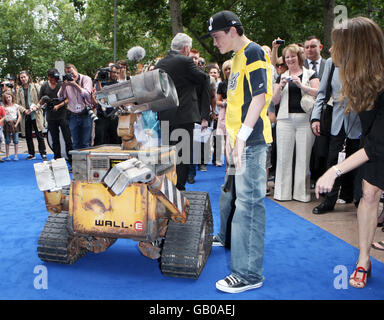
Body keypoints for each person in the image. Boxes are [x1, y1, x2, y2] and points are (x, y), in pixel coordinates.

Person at [203, 10, 273, 293]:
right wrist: (232, 141)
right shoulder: (235, 59)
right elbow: (234, 105)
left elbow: (259, 97)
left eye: (217, 36)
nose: (215, 42)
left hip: (252, 142)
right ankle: (229, 240)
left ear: (233, 30)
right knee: (233, 197)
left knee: (250, 206)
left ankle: (248, 273)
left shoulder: (254, 52)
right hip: (238, 143)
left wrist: (241, 138)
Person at [315, 17, 384, 289]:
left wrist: (334, 170)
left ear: (355, 48)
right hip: (375, 145)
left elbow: (377, 143)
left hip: (379, 144)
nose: (331, 51)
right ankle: (363, 259)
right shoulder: (358, 78)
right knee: (368, 193)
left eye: (337, 45)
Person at [155, 33, 210, 191]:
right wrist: (204, 114)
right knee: (182, 156)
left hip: (165, 115)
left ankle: (169, 187)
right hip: (184, 115)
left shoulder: (160, 63)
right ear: (186, 48)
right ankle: (179, 189)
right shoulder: (185, 61)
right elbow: (204, 79)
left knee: (169, 155)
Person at [310, 58, 361, 214]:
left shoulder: (364, 57)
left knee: (359, 161)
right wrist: (315, 117)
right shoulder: (332, 63)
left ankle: (358, 200)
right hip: (337, 119)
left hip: (360, 122)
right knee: (334, 160)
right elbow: (322, 92)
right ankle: (329, 200)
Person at [272, 44, 319, 202]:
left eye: (293, 56)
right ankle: (282, 193)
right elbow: (274, 100)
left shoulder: (311, 74)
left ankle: (302, 194)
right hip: (284, 120)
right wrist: (281, 87)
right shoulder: (281, 76)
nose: (290, 59)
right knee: (283, 159)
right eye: (287, 57)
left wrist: (301, 85)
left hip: (304, 120)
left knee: (303, 159)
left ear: (299, 58)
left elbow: (318, 92)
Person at [39, 68, 73, 163]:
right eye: (53, 78)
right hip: (51, 115)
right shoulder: (44, 86)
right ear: (49, 77)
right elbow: (41, 99)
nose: (54, 79)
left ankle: (70, 159)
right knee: (55, 139)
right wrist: (44, 104)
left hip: (62, 114)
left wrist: (58, 105)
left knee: (67, 138)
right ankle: (57, 159)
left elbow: (67, 99)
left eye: (56, 78)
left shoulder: (61, 84)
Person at [58, 64, 94, 150]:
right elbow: (60, 97)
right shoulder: (66, 83)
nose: (71, 75)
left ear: (76, 70)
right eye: (68, 73)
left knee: (86, 143)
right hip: (73, 115)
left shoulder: (86, 79)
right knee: (75, 143)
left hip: (86, 113)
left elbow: (87, 94)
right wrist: (63, 86)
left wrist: (75, 85)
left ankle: (86, 163)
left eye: (72, 73)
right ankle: (77, 163)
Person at [16, 70, 48, 160]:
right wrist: (24, 110)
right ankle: (31, 153)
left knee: (39, 134)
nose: (23, 79)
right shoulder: (19, 90)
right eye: (21, 77)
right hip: (26, 114)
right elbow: (17, 103)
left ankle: (43, 153)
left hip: (36, 113)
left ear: (28, 77)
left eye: (24, 77)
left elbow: (42, 98)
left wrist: (36, 107)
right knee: (28, 135)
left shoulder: (36, 86)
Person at [93, 64, 121, 146]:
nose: (115, 75)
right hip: (102, 115)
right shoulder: (102, 82)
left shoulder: (118, 85)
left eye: (117, 73)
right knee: (99, 138)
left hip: (114, 115)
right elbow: (99, 93)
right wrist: (97, 80)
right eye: (114, 72)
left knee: (115, 139)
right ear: (109, 72)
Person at [215, 59, 232, 167]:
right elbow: (217, 101)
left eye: (229, 68)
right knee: (227, 142)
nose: (228, 71)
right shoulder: (222, 84)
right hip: (225, 112)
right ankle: (228, 166)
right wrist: (224, 103)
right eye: (225, 69)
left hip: (237, 113)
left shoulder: (240, 82)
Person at [1, 91, 21, 161]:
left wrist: (16, 124)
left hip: (14, 123)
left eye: (9, 97)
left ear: (12, 97)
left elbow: (19, 116)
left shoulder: (15, 106)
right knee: (7, 140)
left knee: (16, 140)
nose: (8, 99)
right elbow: (2, 116)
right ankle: (7, 155)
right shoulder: (3, 107)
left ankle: (16, 155)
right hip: (7, 124)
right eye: (6, 97)